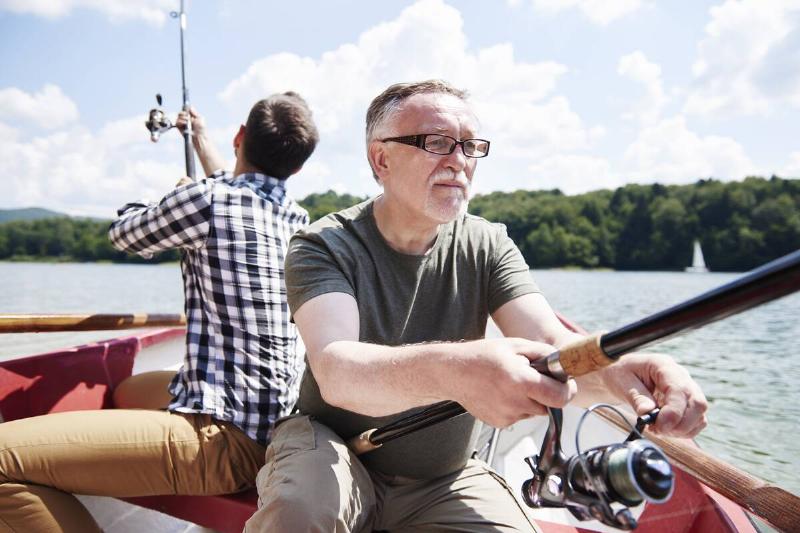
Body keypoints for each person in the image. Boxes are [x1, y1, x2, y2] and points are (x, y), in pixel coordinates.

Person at [244, 80, 708, 532]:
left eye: (470, 146)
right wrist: (456, 369)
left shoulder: (488, 244)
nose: (459, 161)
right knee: (298, 512)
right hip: (331, 447)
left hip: (443, 478)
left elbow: (552, 344)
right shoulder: (322, 244)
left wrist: (626, 375)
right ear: (380, 158)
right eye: (437, 142)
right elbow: (337, 370)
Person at [0, 92, 319, 532]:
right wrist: (200, 141)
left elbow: (123, 236)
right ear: (298, 168)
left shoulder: (206, 200)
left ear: (240, 136)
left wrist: (176, 197)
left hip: (220, 442)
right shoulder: (299, 221)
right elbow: (241, 191)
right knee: (129, 393)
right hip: (275, 430)